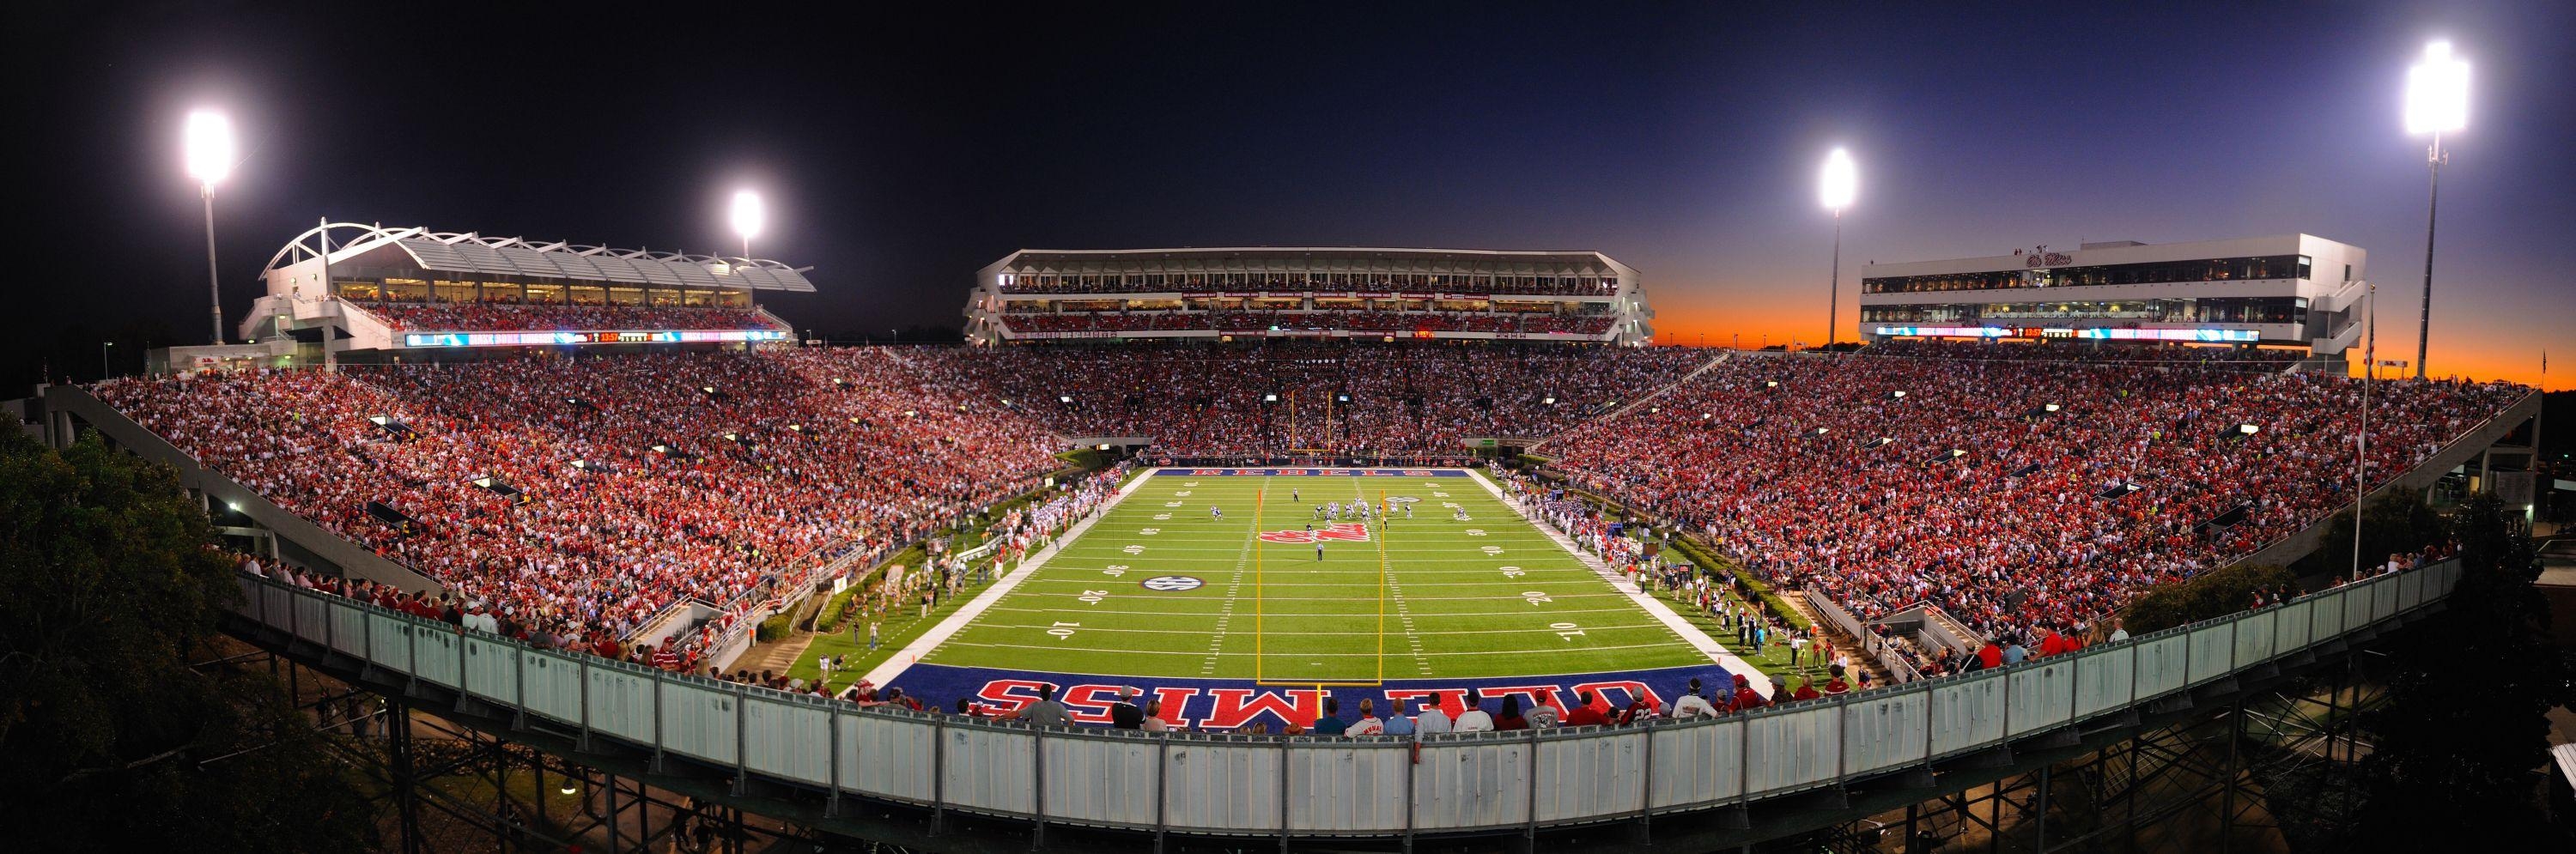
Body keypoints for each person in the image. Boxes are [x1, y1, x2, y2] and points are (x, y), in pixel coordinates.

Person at [1007, 684, 1072, 728]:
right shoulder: (1058, 706)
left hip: (1038, 736)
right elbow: (1071, 720)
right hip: (1055, 736)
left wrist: (1000, 717)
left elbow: (1016, 714)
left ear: (1040, 694)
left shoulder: (1034, 706)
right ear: (1050, 694)